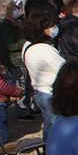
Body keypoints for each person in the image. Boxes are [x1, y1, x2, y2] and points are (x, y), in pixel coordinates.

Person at [21, 12, 64, 140]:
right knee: (57, 128)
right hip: (51, 92)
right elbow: (63, 69)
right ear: (41, 30)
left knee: (49, 125)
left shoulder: (27, 45)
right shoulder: (44, 49)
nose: (54, 28)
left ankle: (48, 149)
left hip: (40, 92)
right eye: (50, 26)